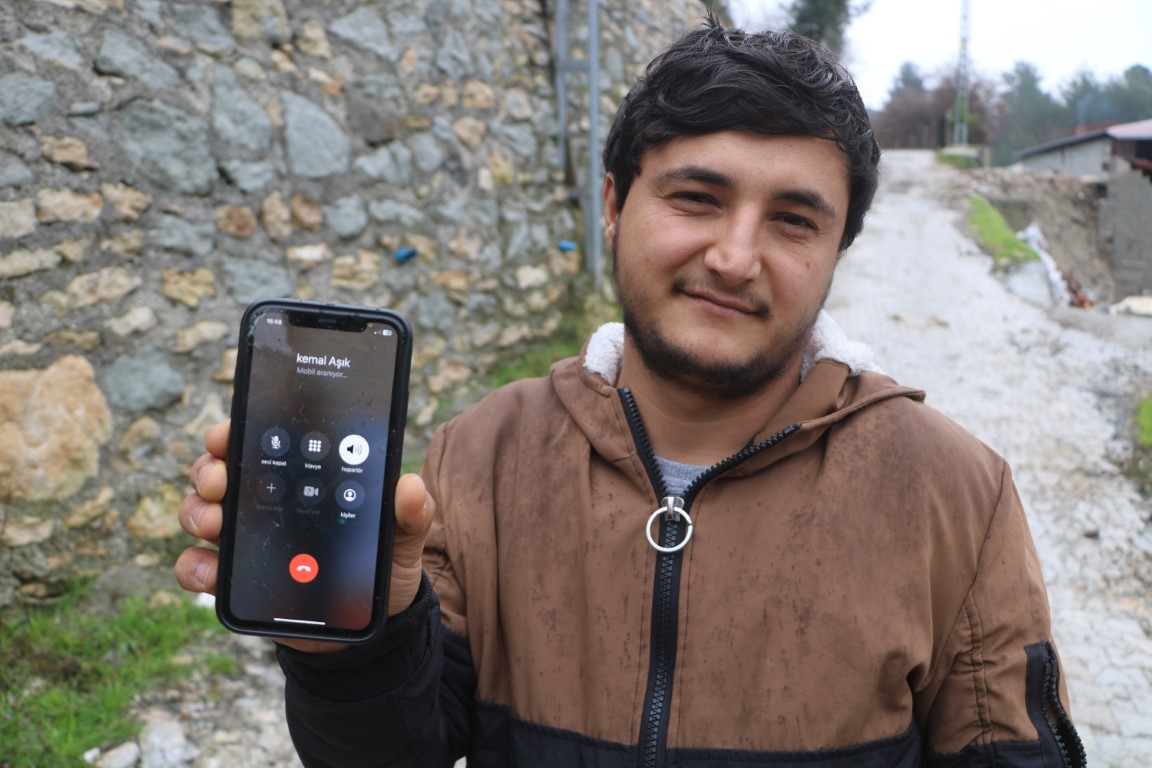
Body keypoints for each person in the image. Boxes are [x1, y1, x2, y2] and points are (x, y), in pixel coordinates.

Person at [175, 15, 1086, 768]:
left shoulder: (954, 492)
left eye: (794, 220)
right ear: (614, 204)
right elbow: (392, 752)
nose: (734, 257)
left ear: (837, 252)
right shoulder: (483, 453)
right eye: (696, 198)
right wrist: (351, 641)